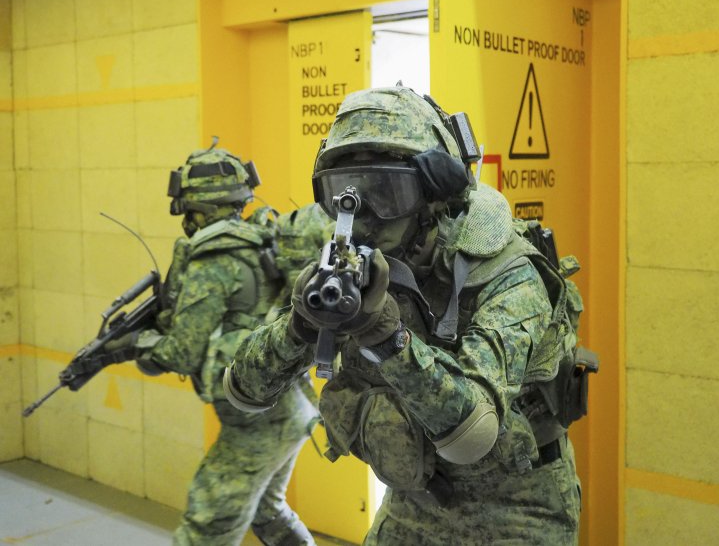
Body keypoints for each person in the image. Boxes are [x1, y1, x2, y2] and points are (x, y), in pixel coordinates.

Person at [224, 86, 593, 545]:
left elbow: (471, 434)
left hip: (517, 506)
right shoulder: (356, 263)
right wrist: (300, 324)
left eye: (388, 191)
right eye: (347, 193)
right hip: (411, 503)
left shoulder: (507, 272)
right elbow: (245, 390)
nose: (366, 218)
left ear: (436, 195)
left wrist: (384, 336)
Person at [108, 143, 319, 546]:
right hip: (290, 407)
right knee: (269, 513)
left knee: (206, 524)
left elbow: (181, 351)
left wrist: (138, 344)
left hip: (259, 423)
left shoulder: (213, 257)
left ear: (197, 207)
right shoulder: (259, 239)